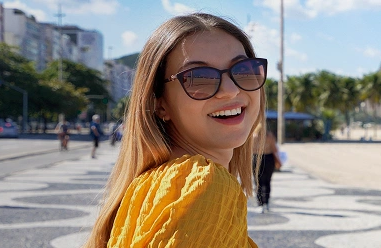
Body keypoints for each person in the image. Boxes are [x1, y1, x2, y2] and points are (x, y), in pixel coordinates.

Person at [84, 13, 266, 248]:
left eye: (243, 70)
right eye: (198, 78)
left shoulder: (159, 184)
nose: (230, 90)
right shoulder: (201, 185)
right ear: (160, 103)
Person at [253, 122, 281, 213]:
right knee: (267, 181)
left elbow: (249, 150)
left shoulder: (253, 136)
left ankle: (260, 203)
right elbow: (275, 149)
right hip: (268, 158)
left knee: (258, 182)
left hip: (256, 159)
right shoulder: (269, 136)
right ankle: (266, 202)